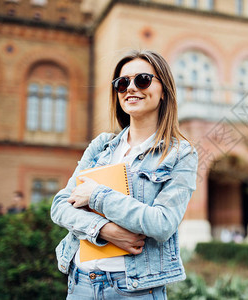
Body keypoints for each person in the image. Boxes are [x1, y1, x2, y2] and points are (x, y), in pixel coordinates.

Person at [51, 50, 198, 299]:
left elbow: (162, 223)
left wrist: (97, 195)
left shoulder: (180, 154)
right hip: (81, 283)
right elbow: (60, 207)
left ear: (164, 91)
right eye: (122, 83)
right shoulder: (101, 146)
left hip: (134, 290)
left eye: (142, 80)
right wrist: (104, 229)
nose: (130, 88)